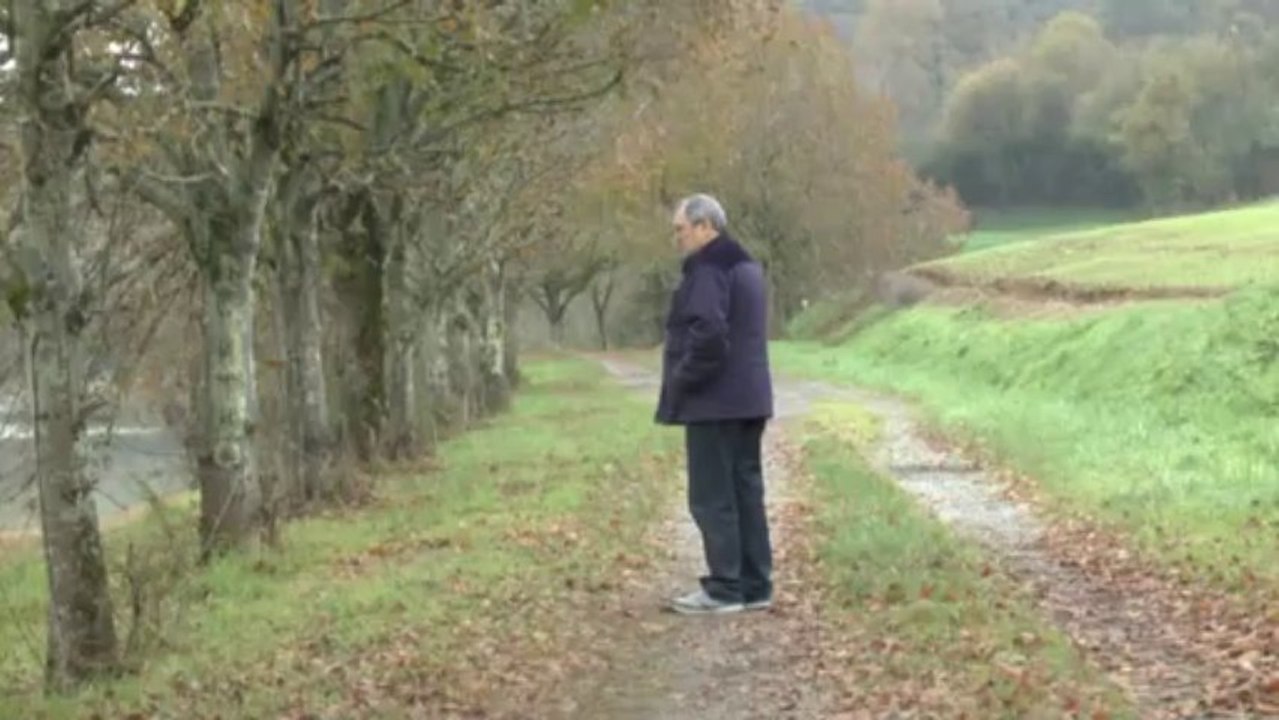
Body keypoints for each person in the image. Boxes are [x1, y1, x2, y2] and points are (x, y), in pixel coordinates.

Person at [655, 193, 775, 615]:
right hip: (750, 399)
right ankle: (755, 584)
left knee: (712, 495)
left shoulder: (708, 267)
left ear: (706, 226)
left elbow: (708, 332)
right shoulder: (746, 265)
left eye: (681, 229)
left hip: (715, 400)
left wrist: (683, 379)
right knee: (746, 491)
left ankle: (724, 588)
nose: (678, 238)